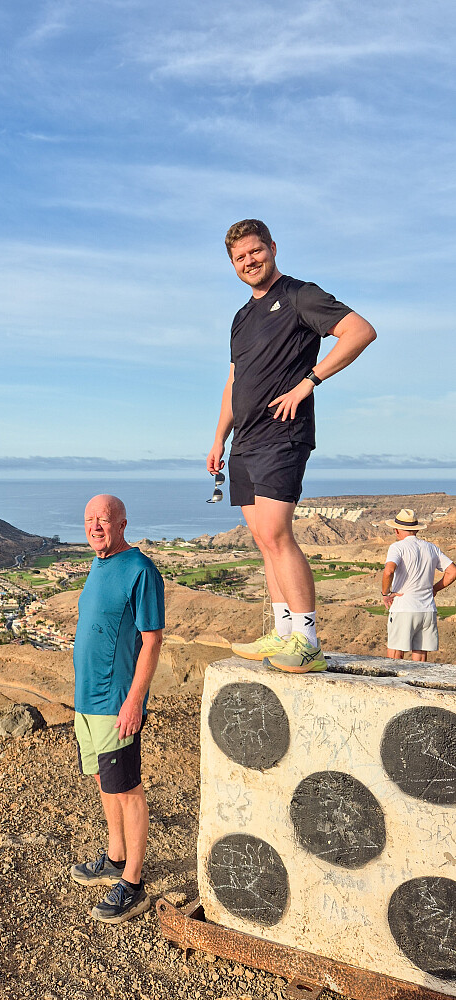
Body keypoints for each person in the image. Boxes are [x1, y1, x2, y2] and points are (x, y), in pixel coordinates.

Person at [207, 219, 376, 673]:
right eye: (240, 257)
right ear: (232, 264)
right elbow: (233, 382)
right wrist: (219, 437)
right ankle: (283, 633)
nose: (249, 261)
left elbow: (360, 331)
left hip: (282, 434)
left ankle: (308, 642)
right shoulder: (241, 317)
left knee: (277, 533)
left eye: (255, 251)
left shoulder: (301, 295)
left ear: (273, 248)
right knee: (263, 540)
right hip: (244, 440)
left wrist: (308, 383)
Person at [69, 494, 165, 923]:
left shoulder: (140, 570)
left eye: (103, 519)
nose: (95, 526)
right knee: (104, 782)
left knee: (127, 790)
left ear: (122, 524)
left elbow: (152, 640)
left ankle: (133, 882)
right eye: (89, 519)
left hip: (115, 702)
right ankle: (115, 857)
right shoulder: (98, 564)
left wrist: (134, 701)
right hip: (86, 701)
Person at [381, 508, 455, 661]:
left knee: (395, 655)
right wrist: (434, 589)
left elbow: (388, 571)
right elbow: (453, 572)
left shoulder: (397, 547)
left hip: (404, 607)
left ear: (397, 530)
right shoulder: (431, 548)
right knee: (420, 660)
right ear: (416, 529)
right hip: (427, 609)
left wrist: (385, 594)